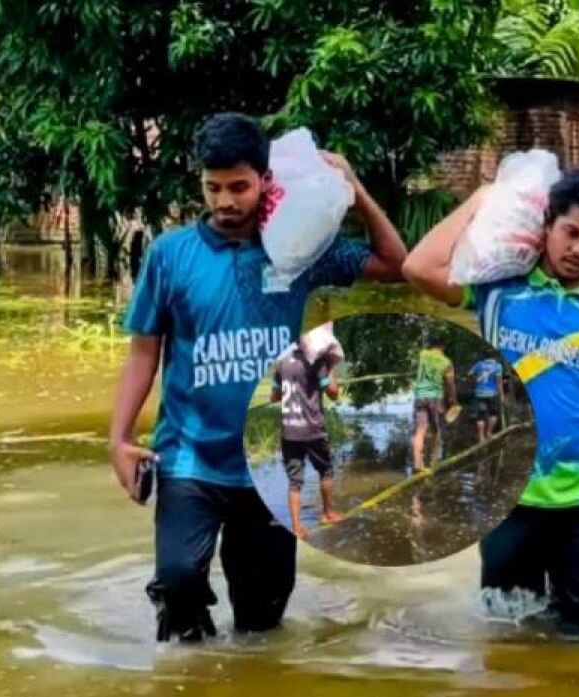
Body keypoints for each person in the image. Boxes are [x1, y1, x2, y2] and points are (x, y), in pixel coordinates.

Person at [108, 112, 407, 641]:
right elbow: (143, 352)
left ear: (266, 181)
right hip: (189, 457)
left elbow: (397, 264)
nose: (225, 201)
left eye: (239, 187)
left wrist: (356, 191)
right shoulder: (171, 255)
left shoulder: (298, 250)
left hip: (271, 462)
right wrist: (120, 438)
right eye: (213, 187)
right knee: (178, 586)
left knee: (261, 620)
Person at [402, 167, 579, 633]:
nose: (578, 250)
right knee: (508, 636)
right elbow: (417, 268)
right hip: (510, 497)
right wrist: (481, 198)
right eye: (570, 233)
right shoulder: (497, 288)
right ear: (547, 222)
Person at [271, 337, 344, 539]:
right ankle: (328, 514)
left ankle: (296, 527)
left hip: (289, 432)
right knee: (326, 471)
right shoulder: (317, 362)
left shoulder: (282, 363)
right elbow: (334, 393)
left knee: (295, 481)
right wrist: (330, 367)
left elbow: (274, 397)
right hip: (313, 430)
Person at [411, 337, 457, 473]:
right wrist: (453, 399)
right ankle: (433, 461)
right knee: (437, 430)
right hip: (435, 396)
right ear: (442, 347)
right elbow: (450, 383)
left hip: (420, 395)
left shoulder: (422, 354)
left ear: (431, 346)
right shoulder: (446, 362)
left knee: (420, 430)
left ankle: (417, 463)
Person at [469, 356, 505, 441]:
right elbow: (499, 383)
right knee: (493, 414)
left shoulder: (479, 364)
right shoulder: (497, 366)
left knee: (480, 416)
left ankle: (481, 437)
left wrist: (476, 379)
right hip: (492, 394)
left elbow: (469, 374)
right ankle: (489, 432)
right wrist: (501, 395)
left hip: (479, 394)